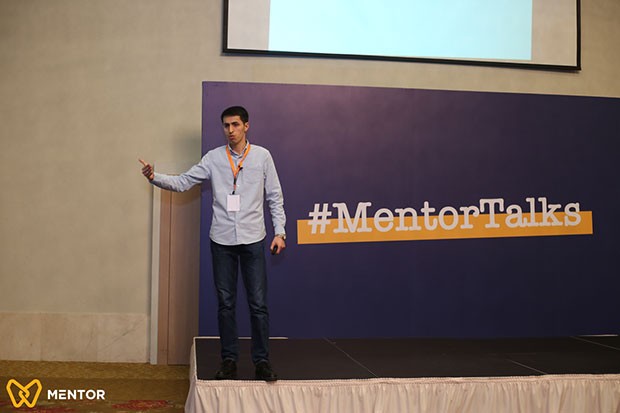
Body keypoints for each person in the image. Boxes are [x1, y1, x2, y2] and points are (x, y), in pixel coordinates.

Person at [139, 106, 285, 381]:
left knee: (258, 304)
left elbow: (274, 196)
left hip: (253, 239)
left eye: (235, 125)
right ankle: (229, 360)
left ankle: (262, 361)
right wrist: (153, 177)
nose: (230, 130)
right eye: (226, 125)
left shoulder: (262, 156)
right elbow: (183, 182)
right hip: (222, 241)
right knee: (226, 304)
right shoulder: (214, 158)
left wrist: (280, 232)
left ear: (246, 126)